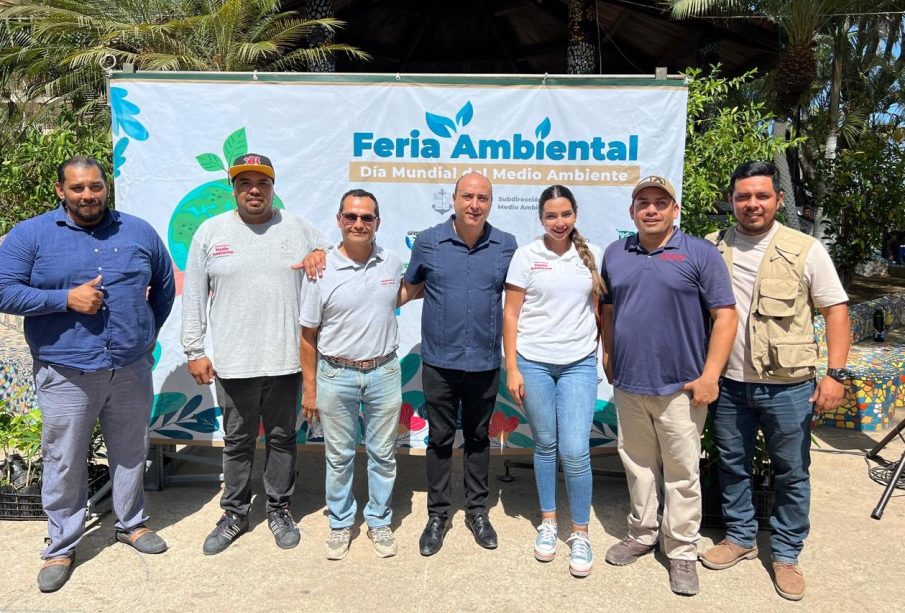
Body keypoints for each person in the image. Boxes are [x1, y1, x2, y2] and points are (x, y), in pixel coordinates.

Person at [0, 156, 175, 593]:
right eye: (77, 188)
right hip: (66, 369)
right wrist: (65, 300)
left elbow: (165, 286)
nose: (87, 196)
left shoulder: (138, 231)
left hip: (130, 367)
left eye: (95, 187)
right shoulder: (31, 235)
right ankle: (61, 543)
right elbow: (3, 289)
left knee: (131, 449)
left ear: (105, 187)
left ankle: (131, 523)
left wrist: (143, 334)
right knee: (65, 458)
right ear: (61, 190)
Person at [700, 161, 850, 602]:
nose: (752, 204)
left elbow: (835, 310)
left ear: (778, 200)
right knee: (731, 464)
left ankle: (786, 554)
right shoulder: (711, 248)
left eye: (761, 196)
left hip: (787, 386)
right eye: (743, 196)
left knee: (791, 471)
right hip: (728, 383)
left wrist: (836, 374)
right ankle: (741, 538)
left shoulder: (805, 250)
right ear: (731, 201)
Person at [181, 153, 328, 555]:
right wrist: (195, 349)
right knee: (237, 442)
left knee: (282, 439)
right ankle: (235, 513)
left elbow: (335, 256)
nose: (254, 190)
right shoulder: (211, 233)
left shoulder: (298, 228)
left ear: (272, 188)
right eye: (245, 183)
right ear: (234, 189)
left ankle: (279, 508)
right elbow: (193, 295)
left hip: (286, 361)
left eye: (261, 183)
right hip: (234, 361)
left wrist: (321, 254)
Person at [600, 175, 737, 596]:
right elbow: (606, 308)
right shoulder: (615, 253)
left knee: (682, 472)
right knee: (638, 465)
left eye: (661, 202)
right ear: (632, 211)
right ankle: (642, 534)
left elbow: (726, 316)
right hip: (629, 384)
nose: (652, 209)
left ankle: (680, 550)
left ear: (674, 210)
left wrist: (710, 375)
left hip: (682, 387)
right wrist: (608, 353)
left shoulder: (699, 253)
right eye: (644, 202)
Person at [402, 172, 518, 556]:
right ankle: (437, 514)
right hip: (439, 361)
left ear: (491, 202)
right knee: (438, 439)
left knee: (479, 438)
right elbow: (409, 287)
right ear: (453, 199)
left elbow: (518, 304)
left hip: (484, 362)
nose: (474, 204)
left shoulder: (506, 245)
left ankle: (477, 511)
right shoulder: (429, 242)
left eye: (482, 197)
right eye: (467, 196)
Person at [300, 189, 418, 560]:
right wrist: (310, 390)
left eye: (367, 218)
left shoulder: (392, 262)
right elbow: (307, 336)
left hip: (384, 372)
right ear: (339, 220)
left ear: (377, 223)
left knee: (384, 454)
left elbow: (398, 297)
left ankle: (379, 520)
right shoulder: (320, 269)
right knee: (339, 457)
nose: (358, 224)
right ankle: (340, 524)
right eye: (351, 217)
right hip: (336, 375)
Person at [502, 185, 604, 577]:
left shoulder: (593, 254)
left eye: (565, 214)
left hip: (578, 364)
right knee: (546, 445)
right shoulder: (527, 256)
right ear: (541, 219)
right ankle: (548, 522)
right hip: (534, 364)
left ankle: (580, 532)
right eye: (551, 216)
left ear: (575, 214)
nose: (559, 222)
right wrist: (512, 367)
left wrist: (604, 353)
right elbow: (511, 315)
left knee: (576, 451)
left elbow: (599, 312)